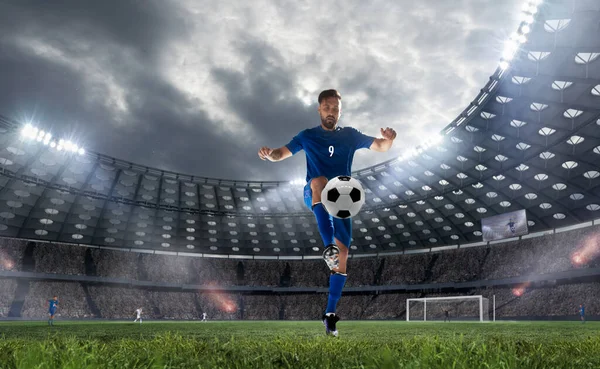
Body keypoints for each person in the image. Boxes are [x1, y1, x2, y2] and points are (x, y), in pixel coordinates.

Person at [258, 89, 396, 336]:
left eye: (335, 108)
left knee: (343, 255)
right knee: (319, 180)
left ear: (339, 111)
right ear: (319, 109)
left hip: (344, 197)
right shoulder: (308, 136)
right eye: (327, 107)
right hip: (316, 192)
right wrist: (270, 155)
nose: (331, 112)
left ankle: (330, 314)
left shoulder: (351, 136)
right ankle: (327, 246)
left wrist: (389, 139)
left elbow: (381, 147)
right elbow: (281, 153)